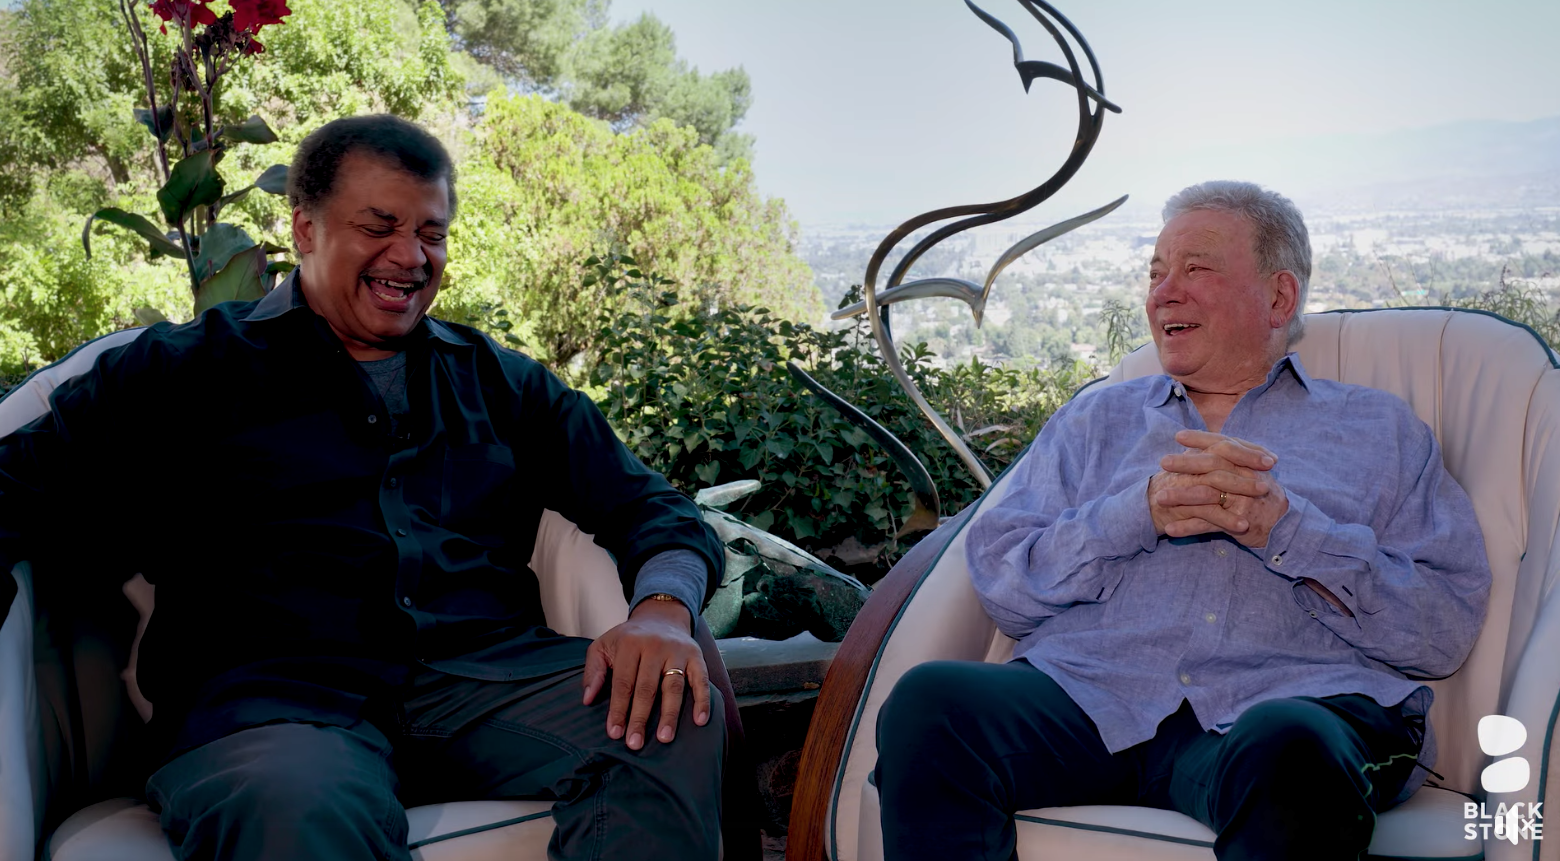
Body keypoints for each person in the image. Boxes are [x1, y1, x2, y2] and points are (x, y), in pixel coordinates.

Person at [0, 114, 728, 860]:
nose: (410, 257)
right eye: (379, 226)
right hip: (274, 710)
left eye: (432, 234)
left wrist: (664, 612)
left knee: (669, 719)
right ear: (306, 229)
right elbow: (11, 488)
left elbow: (652, 508)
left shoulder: (502, 383)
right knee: (295, 804)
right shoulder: (183, 371)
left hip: (483, 683)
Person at [873, 180, 1492, 860]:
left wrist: (1287, 532)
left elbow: (1442, 630)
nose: (1164, 293)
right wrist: (1134, 514)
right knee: (932, 703)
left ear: (1279, 298)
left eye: (1196, 269)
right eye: (1156, 273)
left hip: (1290, 706)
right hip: (1089, 699)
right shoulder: (1094, 419)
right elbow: (1005, 584)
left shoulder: (1379, 431)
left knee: (1290, 745)